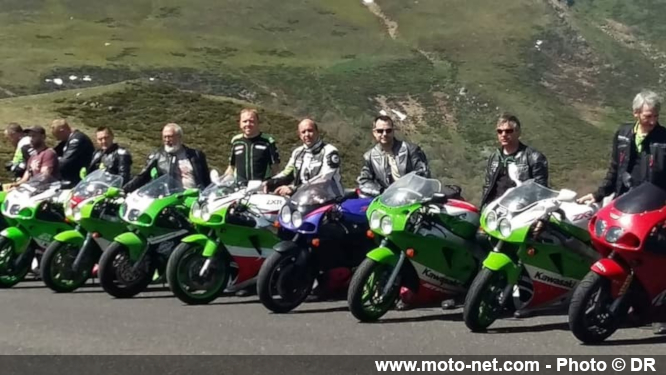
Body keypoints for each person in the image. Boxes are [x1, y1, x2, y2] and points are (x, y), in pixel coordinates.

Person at [577, 90, 666, 335]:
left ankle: (662, 312)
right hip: (624, 205)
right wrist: (597, 194)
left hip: (655, 207)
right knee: (622, 255)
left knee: (657, 257)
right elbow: (614, 169)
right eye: (648, 115)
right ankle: (633, 306)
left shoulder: (664, 138)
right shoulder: (623, 134)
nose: (653, 119)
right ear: (636, 113)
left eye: (656, 115)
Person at [480, 113, 549, 208]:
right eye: (500, 131)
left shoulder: (534, 157)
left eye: (508, 131)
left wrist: (540, 216)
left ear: (518, 132)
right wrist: (483, 208)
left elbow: (541, 190)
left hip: (520, 209)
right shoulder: (494, 157)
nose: (503, 135)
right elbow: (488, 186)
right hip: (495, 209)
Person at [264, 118, 342, 196]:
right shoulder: (297, 153)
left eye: (310, 130)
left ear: (317, 132)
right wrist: (269, 183)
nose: (307, 134)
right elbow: (287, 174)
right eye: (303, 132)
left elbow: (324, 180)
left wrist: (293, 189)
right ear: (299, 135)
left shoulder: (330, 151)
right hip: (304, 199)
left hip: (330, 198)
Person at [124, 123, 211, 192]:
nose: (167, 140)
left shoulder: (196, 155)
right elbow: (142, 176)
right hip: (169, 198)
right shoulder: (157, 156)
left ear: (179, 137)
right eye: (164, 137)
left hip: (194, 195)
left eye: (170, 137)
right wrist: (124, 190)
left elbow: (206, 179)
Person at [357, 115, 430, 196]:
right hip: (387, 200)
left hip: (412, 197)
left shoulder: (411, 149)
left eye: (388, 130)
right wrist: (382, 192)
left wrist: (409, 190)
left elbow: (423, 174)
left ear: (393, 131)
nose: (384, 134)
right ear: (374, 132)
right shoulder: (369, 156)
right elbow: (364, 181)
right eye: (380, 131)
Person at [224, 109, 280, 184]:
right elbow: (231, 166)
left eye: (252, 121)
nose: (248, 124)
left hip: (261, 187)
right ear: (240, 123)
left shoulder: (268, 141)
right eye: (244, 121)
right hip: (240, 188)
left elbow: (275, 168)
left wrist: (274, 184)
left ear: (257, 123)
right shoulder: (236, 141)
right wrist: (222, 182)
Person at [51, 119, 95, 187]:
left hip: (80, 179)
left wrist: (51, 166)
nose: (58, 140)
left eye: (58, 137)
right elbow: (53, 152)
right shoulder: (68, 139)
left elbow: (65, 162)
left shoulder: (77, 139)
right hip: (71, 178)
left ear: (62, 131)